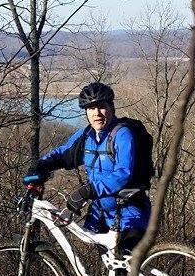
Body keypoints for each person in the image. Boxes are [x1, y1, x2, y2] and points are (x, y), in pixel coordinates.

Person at [25, 81, 151, 253]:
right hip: (100, 215)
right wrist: (41, 166)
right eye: (91, 109)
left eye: (101, 107)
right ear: (86, 112)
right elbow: (63, 154)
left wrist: (88, 191)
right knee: (108, 269)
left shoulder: (122, 134)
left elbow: (123, 172)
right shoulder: (86, 136)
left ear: (111, 108)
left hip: (129, 212)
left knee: (124, 268)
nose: (97, 113)